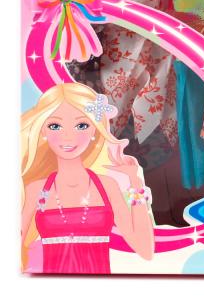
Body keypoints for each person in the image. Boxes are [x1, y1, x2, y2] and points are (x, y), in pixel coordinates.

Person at [21, 82, 155, 273]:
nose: (68, 136)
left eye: (81, 125)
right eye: (55, 126)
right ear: (43, 130)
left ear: (94, 129)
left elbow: (145, 249)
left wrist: (135, 182)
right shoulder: (37, 190)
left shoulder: (107, 186)